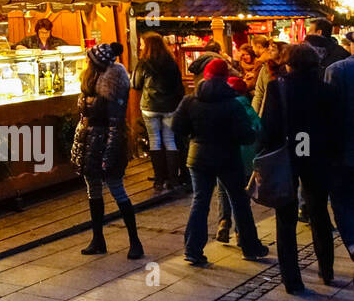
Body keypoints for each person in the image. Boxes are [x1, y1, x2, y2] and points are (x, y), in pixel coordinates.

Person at [171, 58, 269, 265]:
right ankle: (250, 247)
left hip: (198, 157)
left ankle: (193, 249)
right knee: (239, 201)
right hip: (227, 157)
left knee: (200, 201)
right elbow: (246, 135)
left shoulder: (190, 100)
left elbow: (177, 126)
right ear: (225, 78)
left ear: (205, 77)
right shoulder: (232, 104)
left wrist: (193, 136)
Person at [258, 42, 336, 293]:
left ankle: (292, 279)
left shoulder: (277, 88)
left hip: (286, 156)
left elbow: (268, 127)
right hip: (316, 156)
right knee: (319, 213)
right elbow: (334, 127)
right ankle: (326, 269)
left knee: (285, 217)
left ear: (288, 63)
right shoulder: (326, 90)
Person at [71, 43, 144, 259]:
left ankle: (135, 241)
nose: (85, 64)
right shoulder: (89, 83)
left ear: (96, 65)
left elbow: (115, 124)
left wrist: (110, 154)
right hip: (88, 143)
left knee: (116, 188)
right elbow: (83, 116)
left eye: (89, 61)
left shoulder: (111, 86)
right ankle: (98, 239)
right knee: (93, 190)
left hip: (105, 143)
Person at [132, 33, 184, 193]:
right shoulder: (171, 63)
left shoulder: (144, 64)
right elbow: (178, 85)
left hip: (150, 106)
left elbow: (135, 84)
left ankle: (159, 180)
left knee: (155, 141)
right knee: (170, 141)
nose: (140, 46)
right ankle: (173, 179)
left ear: (147, 45)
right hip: (169, 107)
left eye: (142, 43)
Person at [214, 75, 261, 244]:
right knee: (242, 197)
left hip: (227, 158)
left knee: (222, 191)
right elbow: (260, 131)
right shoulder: (250, 110)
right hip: (248, 162)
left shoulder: (226, 108)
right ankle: (241, 233)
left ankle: (224, 222)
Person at [324, 49, 354, 260]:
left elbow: (327, 115)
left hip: (343, 151)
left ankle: (353, 244)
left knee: (342, 201)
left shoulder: (337, 71)